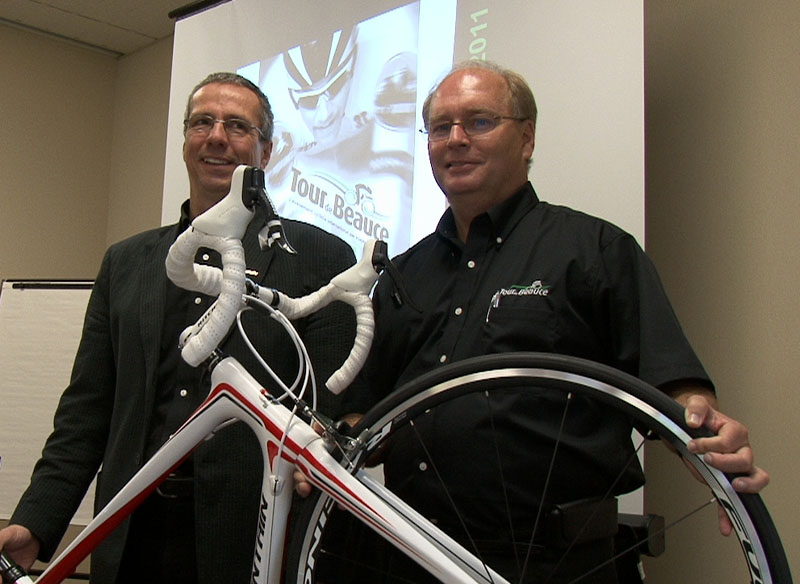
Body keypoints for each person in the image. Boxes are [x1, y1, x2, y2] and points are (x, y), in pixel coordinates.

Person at [322, 60, 769, 583]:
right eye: (441, 127)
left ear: (527, 138)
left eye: (479, 122)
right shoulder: (404, 274)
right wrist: (330, 444)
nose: (456, 139)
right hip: (415, 558)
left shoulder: (596, 251)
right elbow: (367, 416)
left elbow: (674, 391)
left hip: (558, 565)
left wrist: (711, 442)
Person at [0, 73, 358, 583]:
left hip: (248, 543)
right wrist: (35, 523)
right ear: (186, 140)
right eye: (202, 123)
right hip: (129, 537)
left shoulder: (319, 257)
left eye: (238, 126)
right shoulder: (125, 263)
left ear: (267, 151)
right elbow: (86, 414)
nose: (217, 137)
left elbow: (329, 413)